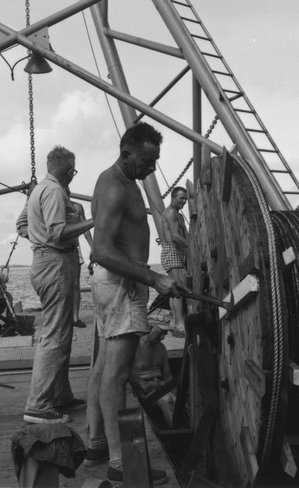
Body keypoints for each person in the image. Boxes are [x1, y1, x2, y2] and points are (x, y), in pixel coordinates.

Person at [85, 123, 188, 485]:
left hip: (115, 285)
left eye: (156, 160)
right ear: (127, 154)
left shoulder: (119, 180)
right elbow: (101, 250)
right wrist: (155, 278)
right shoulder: (116, 187)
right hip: (122, 287)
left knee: (102, 368)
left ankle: (96, 443)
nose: (153, 168)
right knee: (117, 374)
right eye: (147, 160)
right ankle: (120, 462)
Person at [19, 146, 94, 424]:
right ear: (67, 170)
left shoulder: (39, 189)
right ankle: (38, 406)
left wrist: (38, 240)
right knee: (55, 336)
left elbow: (22, 224)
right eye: (73, 170)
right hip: (55, 264)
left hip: (47, 262)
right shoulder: (53, 192)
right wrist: (93, 220)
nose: (73, 175)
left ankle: (60, 395)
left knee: (60, 333)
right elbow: (58, 232)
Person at [130, 323, 176, 429]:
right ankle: (176, 437)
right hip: (143, 390)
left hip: (159, 387)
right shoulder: (133, 346)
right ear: (150, 328)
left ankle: (181, 432)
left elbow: (168, 377)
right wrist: (142, 383)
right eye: (160, 333)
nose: (163, 337)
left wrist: (175, 392)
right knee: (167, 400)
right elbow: (124, 370)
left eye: (165, 333)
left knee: (178, 401)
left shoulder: (162, 348)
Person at [161, 187, 188, 337]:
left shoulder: (179, 215)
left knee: (174, 289)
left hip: (177, 251)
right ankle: (179, 325)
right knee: (178, 289)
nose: (184, 201)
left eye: (185, 199)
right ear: (173, 198)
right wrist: (193, 248)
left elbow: (186, 235)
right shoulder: (171, 213)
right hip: (171, 250)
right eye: (181, 198)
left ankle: (173, 322)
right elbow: (176, 237)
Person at [70, 197, 93, 328]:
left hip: (74, 248)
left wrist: (93, 246)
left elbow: (85, 229)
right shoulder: (53, 203)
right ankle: (63, 316)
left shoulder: (77, 207)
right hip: (57, 250)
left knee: (75, 285)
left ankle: (75, 317)